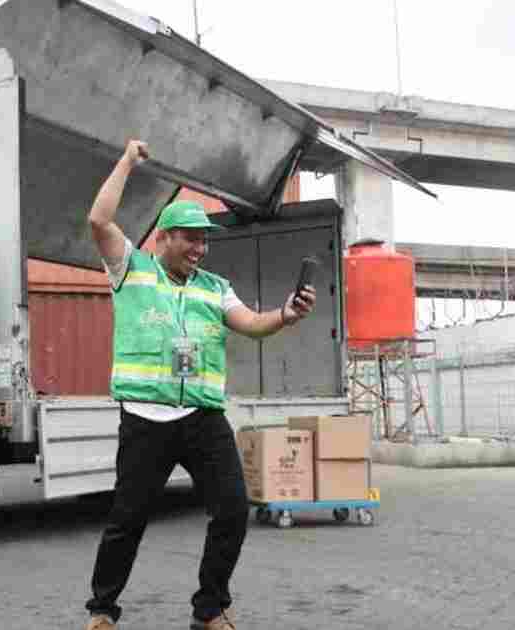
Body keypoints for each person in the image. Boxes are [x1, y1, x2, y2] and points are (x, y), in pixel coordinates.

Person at [83, 140, 317, 630]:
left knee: (232, 510)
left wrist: (285, 315)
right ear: (162, 238)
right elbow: (100, 221)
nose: (199, 248)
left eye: (204, 240)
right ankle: (103, 612)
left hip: (203, 418)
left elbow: (251, 322)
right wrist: (127, 161)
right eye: (190, 238)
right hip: (146, 420)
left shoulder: (214, 287)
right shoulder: (131, 270)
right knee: (127, 522)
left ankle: (208, 610)